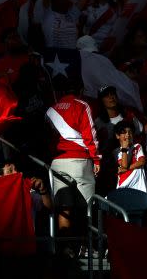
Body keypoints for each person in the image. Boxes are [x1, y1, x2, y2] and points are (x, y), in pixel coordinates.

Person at [45, 93, 99, 235]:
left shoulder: (50, 110)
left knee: (64, 207)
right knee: (87, 208)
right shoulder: (81, 105)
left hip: (57, 162)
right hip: (79, 160)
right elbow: (90, 135)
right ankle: (87, 245)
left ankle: (66, 247)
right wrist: (97, 158)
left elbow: (47, 140)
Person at [113, 121, 147, 192]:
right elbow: (124, 165)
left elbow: (142, 162)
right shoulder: (117, 152)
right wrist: (124, 149)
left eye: (130, 132)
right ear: (117, 136)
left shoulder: (137, 146)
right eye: (124, 132)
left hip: (139, 188)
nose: (128, 135)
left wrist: (126, 169)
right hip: (123, 186)